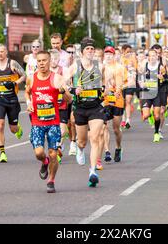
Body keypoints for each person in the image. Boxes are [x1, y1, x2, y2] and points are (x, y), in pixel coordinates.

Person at [25, 50, 72, 193]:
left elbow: (69, 100)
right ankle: (44, 162)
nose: (41, 63)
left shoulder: (57, 78)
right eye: (39, 61)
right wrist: (29, 102)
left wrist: (63, 92)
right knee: (39, 153)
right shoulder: (31, 78)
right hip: (37, 122)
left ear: (50, 61)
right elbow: (27, 91)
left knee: (53, 154)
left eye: (44, 60)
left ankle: (51, 180)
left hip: (53, 122)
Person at [66, 37, 106, 187]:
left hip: (96, 106)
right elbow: (63, 82)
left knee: (95, 138)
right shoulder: (75, 67)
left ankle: (93, 171)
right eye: (87, 49)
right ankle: (80, 149)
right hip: (81, 108)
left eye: (92, 49)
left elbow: (105, 83)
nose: (90, 51)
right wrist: (73, 89)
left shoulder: (100, 66)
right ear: (82, 52)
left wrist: (105, 89)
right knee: (82, 141)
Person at [0, 44, 26, 163]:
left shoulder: (12, 64)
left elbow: (24, 75)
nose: (0, 54)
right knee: (0, 125)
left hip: (12, 100)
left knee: (13, 129)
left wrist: (15, 83)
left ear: (6, 52)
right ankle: (2, 153)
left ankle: (18, 128)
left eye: (2, 51)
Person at [101, 46, 125, 163]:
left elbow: (121, 83)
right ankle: (107, 151)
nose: (108, 56)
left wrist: (118, 90)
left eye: (110, 54)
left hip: (117, 99)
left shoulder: (119, 68)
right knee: (104, 125)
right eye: (106, 54)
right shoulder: (102, 68)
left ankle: (118, 147)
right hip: (105, 100)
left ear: (114, 55)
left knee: (116, 128)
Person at [138, 49, 167, 143]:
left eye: (154, 55)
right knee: (145, 115)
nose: (152, 57)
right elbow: (138, 77)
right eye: (150, 56)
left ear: (157, 56)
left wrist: (162, 78)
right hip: (146, 93)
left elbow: (167, 80)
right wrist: (140, 83)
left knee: (157, 116)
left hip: (157, 93)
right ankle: (150, 116)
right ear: (148, 57)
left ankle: (156, 133)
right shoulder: (144, 66)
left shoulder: (161, 67)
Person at [121, 44, 137, 129]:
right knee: (122, 103)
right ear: (123, 51)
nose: (129, 53)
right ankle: (123, 119)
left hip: (130, 83)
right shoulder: (119, 59)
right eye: (127, 51)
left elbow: (136, 69)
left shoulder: (133, 59)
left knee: (128, 101)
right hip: (121, 84)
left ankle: (128, 120)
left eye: (130, 51)